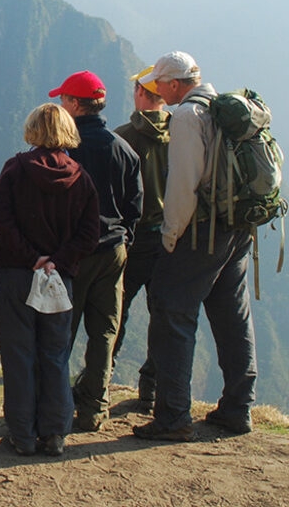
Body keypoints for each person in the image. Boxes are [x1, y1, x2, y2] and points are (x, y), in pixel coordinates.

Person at [133, 52, 257, 442]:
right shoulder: (221, 107)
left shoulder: (186, 117)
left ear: (174, 83)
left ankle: (172, 417)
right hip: (237, 227)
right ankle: (238, 409)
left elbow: (183, 186)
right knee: (231, 314)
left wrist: (171, 237)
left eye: (159, 84)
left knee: (172, 312)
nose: (157, 90)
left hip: (201, 232)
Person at [0, 103, 100, 457]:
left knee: (18, 354)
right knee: (54, 354)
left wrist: (31, 258)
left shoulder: (15, 170)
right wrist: (58, 261)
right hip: (57, 279)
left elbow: (1, 220)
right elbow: (89, 233)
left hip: (16, 275)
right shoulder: (81, 178)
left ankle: (22, 435)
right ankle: (54, 433)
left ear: (33, 129)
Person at [48, 70, 143, 432]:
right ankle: (94, 410)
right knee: (104, 332)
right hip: (113, 251)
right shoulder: (124, 149)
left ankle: (53, 408)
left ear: (75, 104)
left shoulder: (65, 151)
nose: (60, 105)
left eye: (63, 100)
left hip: (74, 253)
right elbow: (135, 206)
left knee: (61, 331)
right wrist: (122, 239)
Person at [112, 66, 170, 412]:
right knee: (163, 313)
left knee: (115, 311)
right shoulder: (185, 134)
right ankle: (152, 387)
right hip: (171, 239)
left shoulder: (123, 138)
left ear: (140, 94)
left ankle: (100, 379)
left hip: (133, 238)